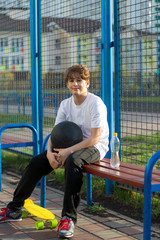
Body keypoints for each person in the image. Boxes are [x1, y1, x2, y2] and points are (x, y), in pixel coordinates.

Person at [0, 64, 109, 238]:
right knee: (36, 162)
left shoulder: (95, 103)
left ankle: (68, 218)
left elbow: (95, 137)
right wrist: (50, 153)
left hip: (93, 147)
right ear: (67, 84)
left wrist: (67, 153)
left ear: (87, 83)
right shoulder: (65, 104)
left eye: (79, 80)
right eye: (71, 80)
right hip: (68, 147)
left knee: (74, 162)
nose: (75, 84)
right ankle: (14, 209)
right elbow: (55, 133)